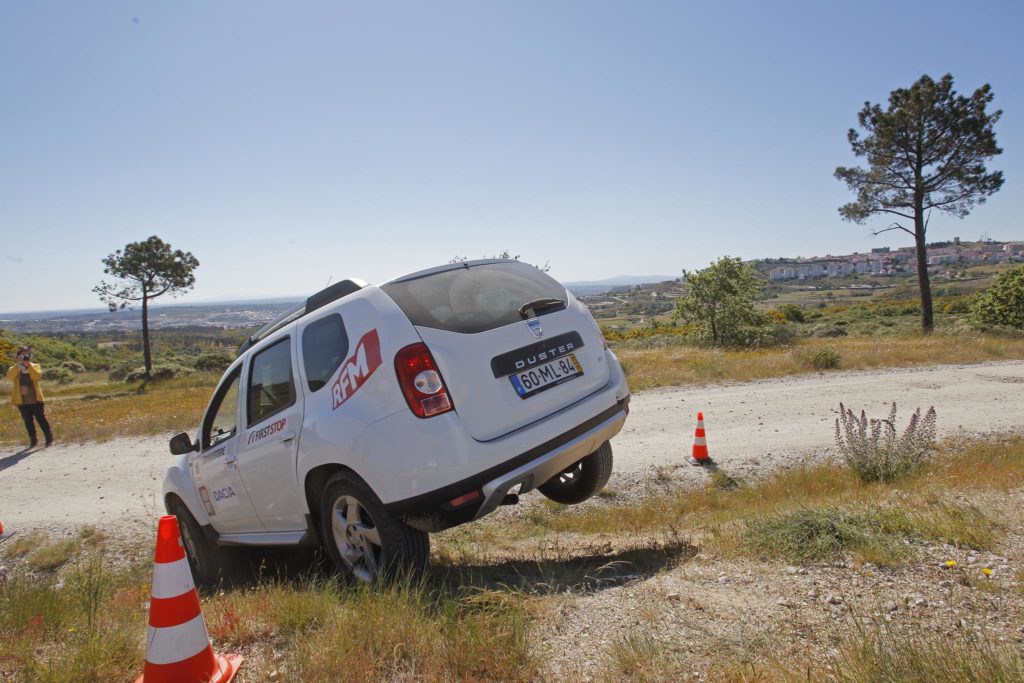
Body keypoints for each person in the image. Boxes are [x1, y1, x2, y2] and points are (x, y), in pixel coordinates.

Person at [6, 346, 53, 448]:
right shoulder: (14, 368)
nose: (25, 357)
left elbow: (37, 376)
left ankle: (48, 437)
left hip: (35, 398)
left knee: (41, 418)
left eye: (27, 355)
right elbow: (10, 377)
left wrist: (28, 366)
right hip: (21, 400)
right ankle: (33, 440)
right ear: (18, 356)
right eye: (22, 355)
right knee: (28, 420)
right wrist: (18, 365)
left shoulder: (35, 366)